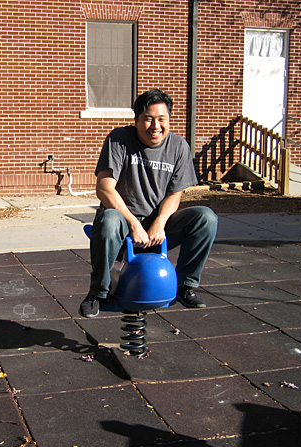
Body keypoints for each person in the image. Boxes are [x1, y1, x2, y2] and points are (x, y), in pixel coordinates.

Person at [79, 88, 218, 318]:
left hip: (157, 227)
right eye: (148, 119)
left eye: (162, 119)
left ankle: (185, 286)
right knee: (110, 218)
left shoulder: (178, 147)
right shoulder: (120, 139)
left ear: (169, 121)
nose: (156, 126)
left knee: (206, 218)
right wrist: (134, 225)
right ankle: (98, 293)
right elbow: (104, 189)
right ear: (136, 120)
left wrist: (160, 223)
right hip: (123, 225)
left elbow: (175, 194)